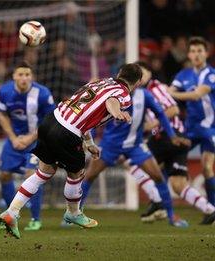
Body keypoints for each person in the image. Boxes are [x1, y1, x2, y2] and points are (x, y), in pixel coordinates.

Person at [0, 63, 142, 239]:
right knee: (77, 174)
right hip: (67, 132)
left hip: (50, 121)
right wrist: (117, 111)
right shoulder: (124, 95)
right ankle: (73, 213)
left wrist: (89, 142)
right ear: (138, 82)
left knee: (43, 172)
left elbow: (83, 111)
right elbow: (111, 102)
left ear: (119, 73)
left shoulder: (99, 83)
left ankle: (11, 212)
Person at [79, 62, 190, 228]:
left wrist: (172, 136)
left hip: (135, 146)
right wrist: (90, 141)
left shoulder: (145, 95)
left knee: (158, 176)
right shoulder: (112, 94)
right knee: (89, 177)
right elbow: (95, 119)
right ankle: (75, 213)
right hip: (110, 146)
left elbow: (161, 113)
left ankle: (172, 217)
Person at [131, 62, 215, 224]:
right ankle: (210, 210)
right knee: (178, 184)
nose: (140, 77)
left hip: (168, 137)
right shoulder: (141, 94)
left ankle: (158, 202)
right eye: (137, 74)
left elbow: (173, 110)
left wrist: (151, 125)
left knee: (132, 161)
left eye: (143, 72)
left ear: (150, 73)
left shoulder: (154, 88)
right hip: (178, 140)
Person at [0, 61, 55, 231]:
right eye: (20, 74)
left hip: (37, 141)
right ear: (14, 76)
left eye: (27, 75)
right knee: (5, 175)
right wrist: (13, 138)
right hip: (14, 140)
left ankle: (36, 219)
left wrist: (30, 137)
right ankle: (10, 214)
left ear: (31, 76)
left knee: (32, 175)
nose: (24, 78)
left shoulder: (43, 93)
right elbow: (1, 114)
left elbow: (50, 119)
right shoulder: (4, 91)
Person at [168, 36, 215, 207]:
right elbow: (169, 91)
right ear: (188, 54)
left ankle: (212, 210)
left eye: (200, 51)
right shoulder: (184, 74)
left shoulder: (211, 75)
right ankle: (163, 204)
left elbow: (197, 95)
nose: (196, 54)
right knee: (174, 158)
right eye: (193, 51)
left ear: (206, 53)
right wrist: (170, 92)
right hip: (189, 128)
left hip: (210, 129)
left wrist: (173, 94)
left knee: (207, 166)